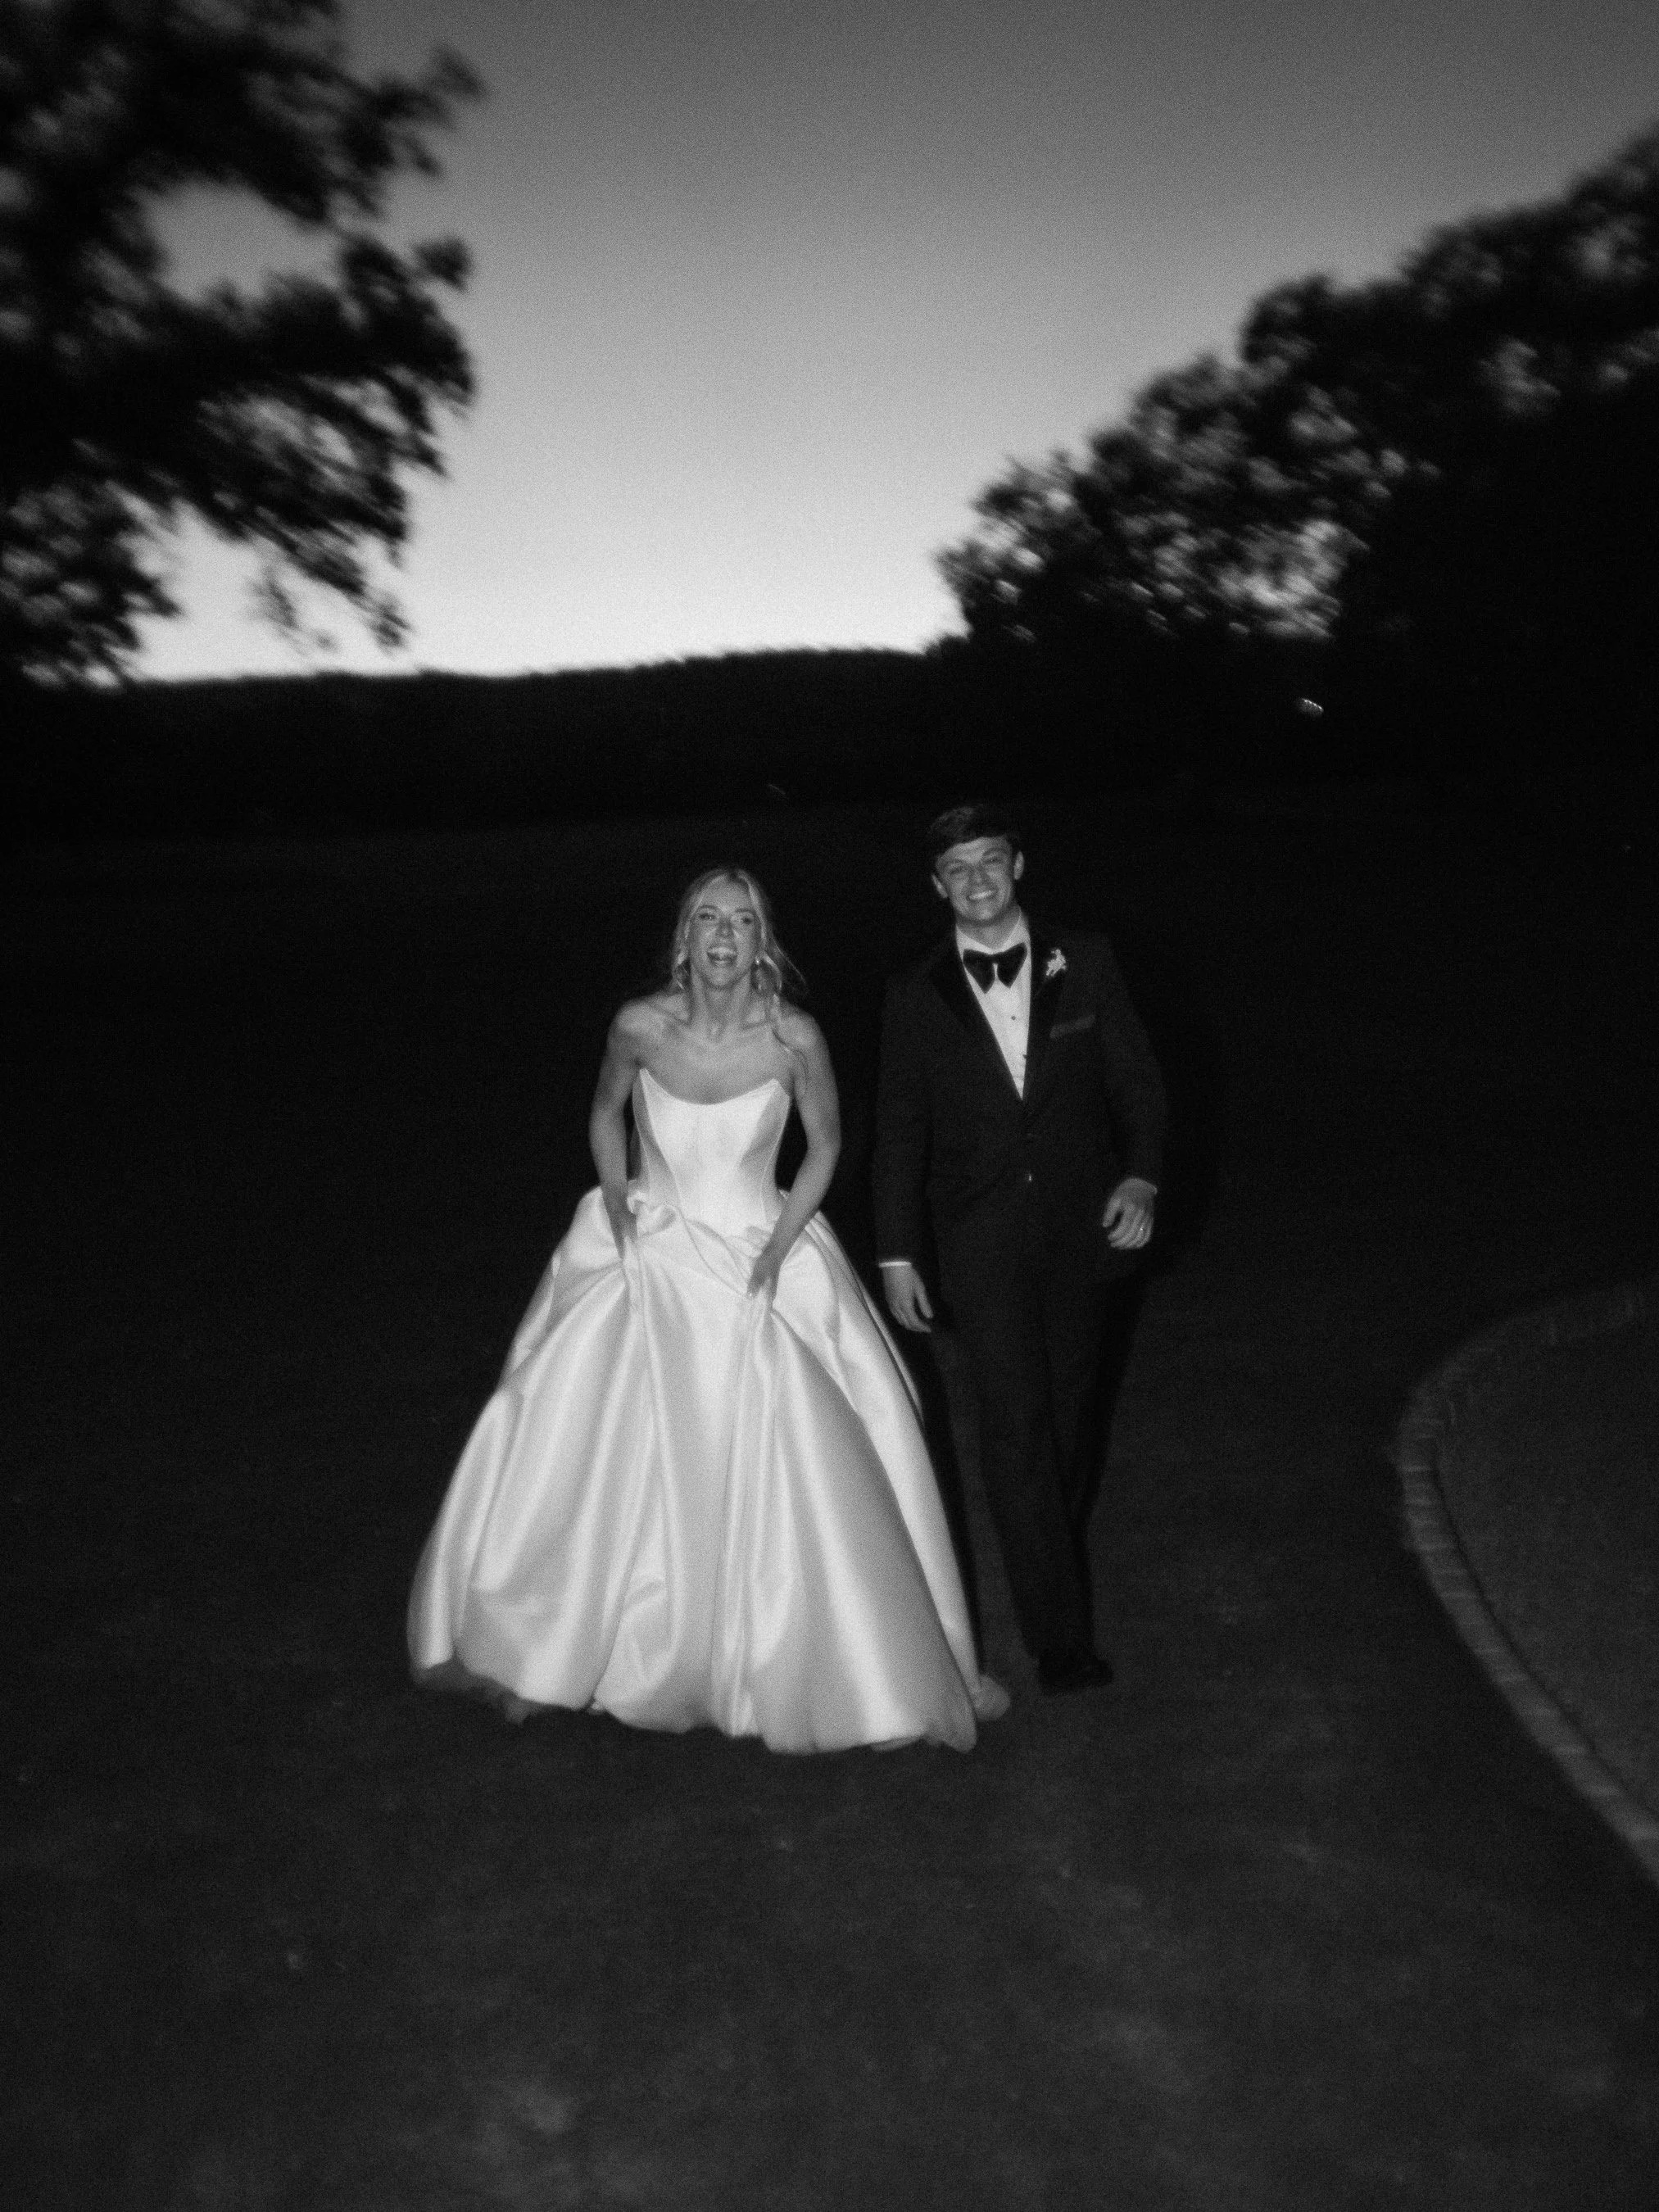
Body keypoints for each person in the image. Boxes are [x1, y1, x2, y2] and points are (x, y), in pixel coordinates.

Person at [408, 866, 1007, 1752]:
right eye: (706, 919)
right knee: (584, 1437)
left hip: (760, 1251)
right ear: (683, 938)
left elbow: (828, 1144)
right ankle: (564, 1640)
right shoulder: (638, 1026)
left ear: (762, 943)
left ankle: (808, 1659)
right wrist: (615, 1197)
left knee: (803, 1443)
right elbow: (606, 1113)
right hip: (648, 1250)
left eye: (741, 920)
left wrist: (778, 1245)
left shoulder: (794, 1036)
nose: (723, 934)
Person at [873, 805, 1166, 1694]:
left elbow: (1139, 1085)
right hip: (979, 1245)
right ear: (938, 886)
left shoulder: (1090, 961)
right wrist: (897, 1254)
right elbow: (899, 1134)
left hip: (1085, 1233)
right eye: (957, 869)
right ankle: (1059, 1639)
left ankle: (1047, 1554)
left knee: (1069, 1426)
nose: (976, 881)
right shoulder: (914, 993)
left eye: (989, 862)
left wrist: (1141, 1177)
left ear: (1018, 865)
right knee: (1012, 1432)